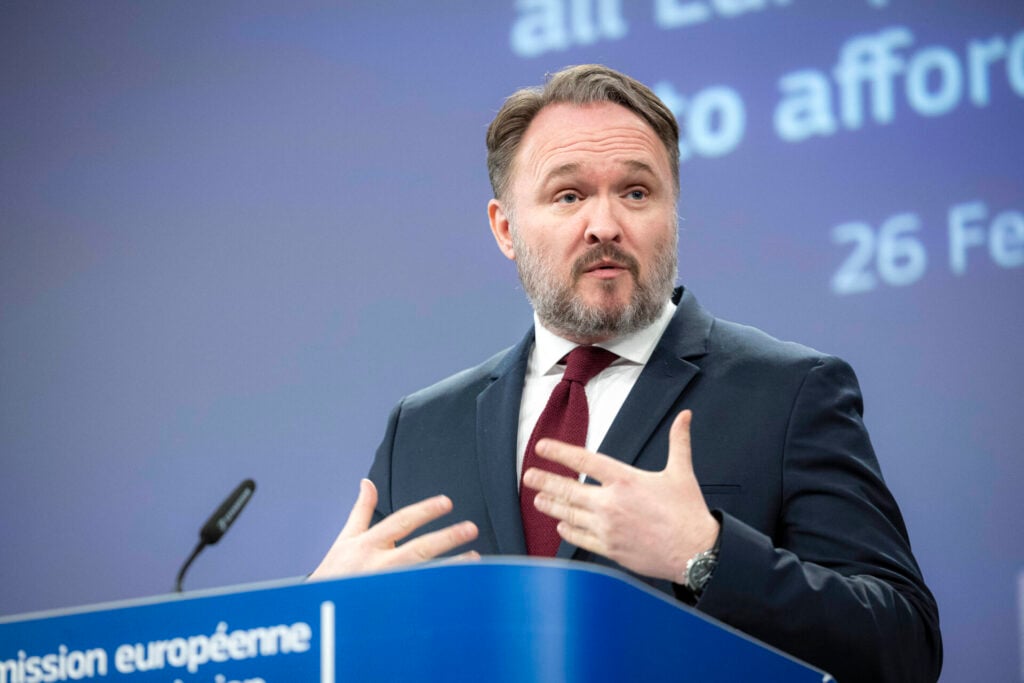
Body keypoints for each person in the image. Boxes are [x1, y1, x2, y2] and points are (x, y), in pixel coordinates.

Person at [311, 64, 942, 682]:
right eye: (569, 196)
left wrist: (706, 556)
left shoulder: (790, 392)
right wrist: (319, 622)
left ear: (673, 212)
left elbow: (904, 646)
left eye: (636, 193)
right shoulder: (422, 429)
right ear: (506, 229)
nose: (605, 226)